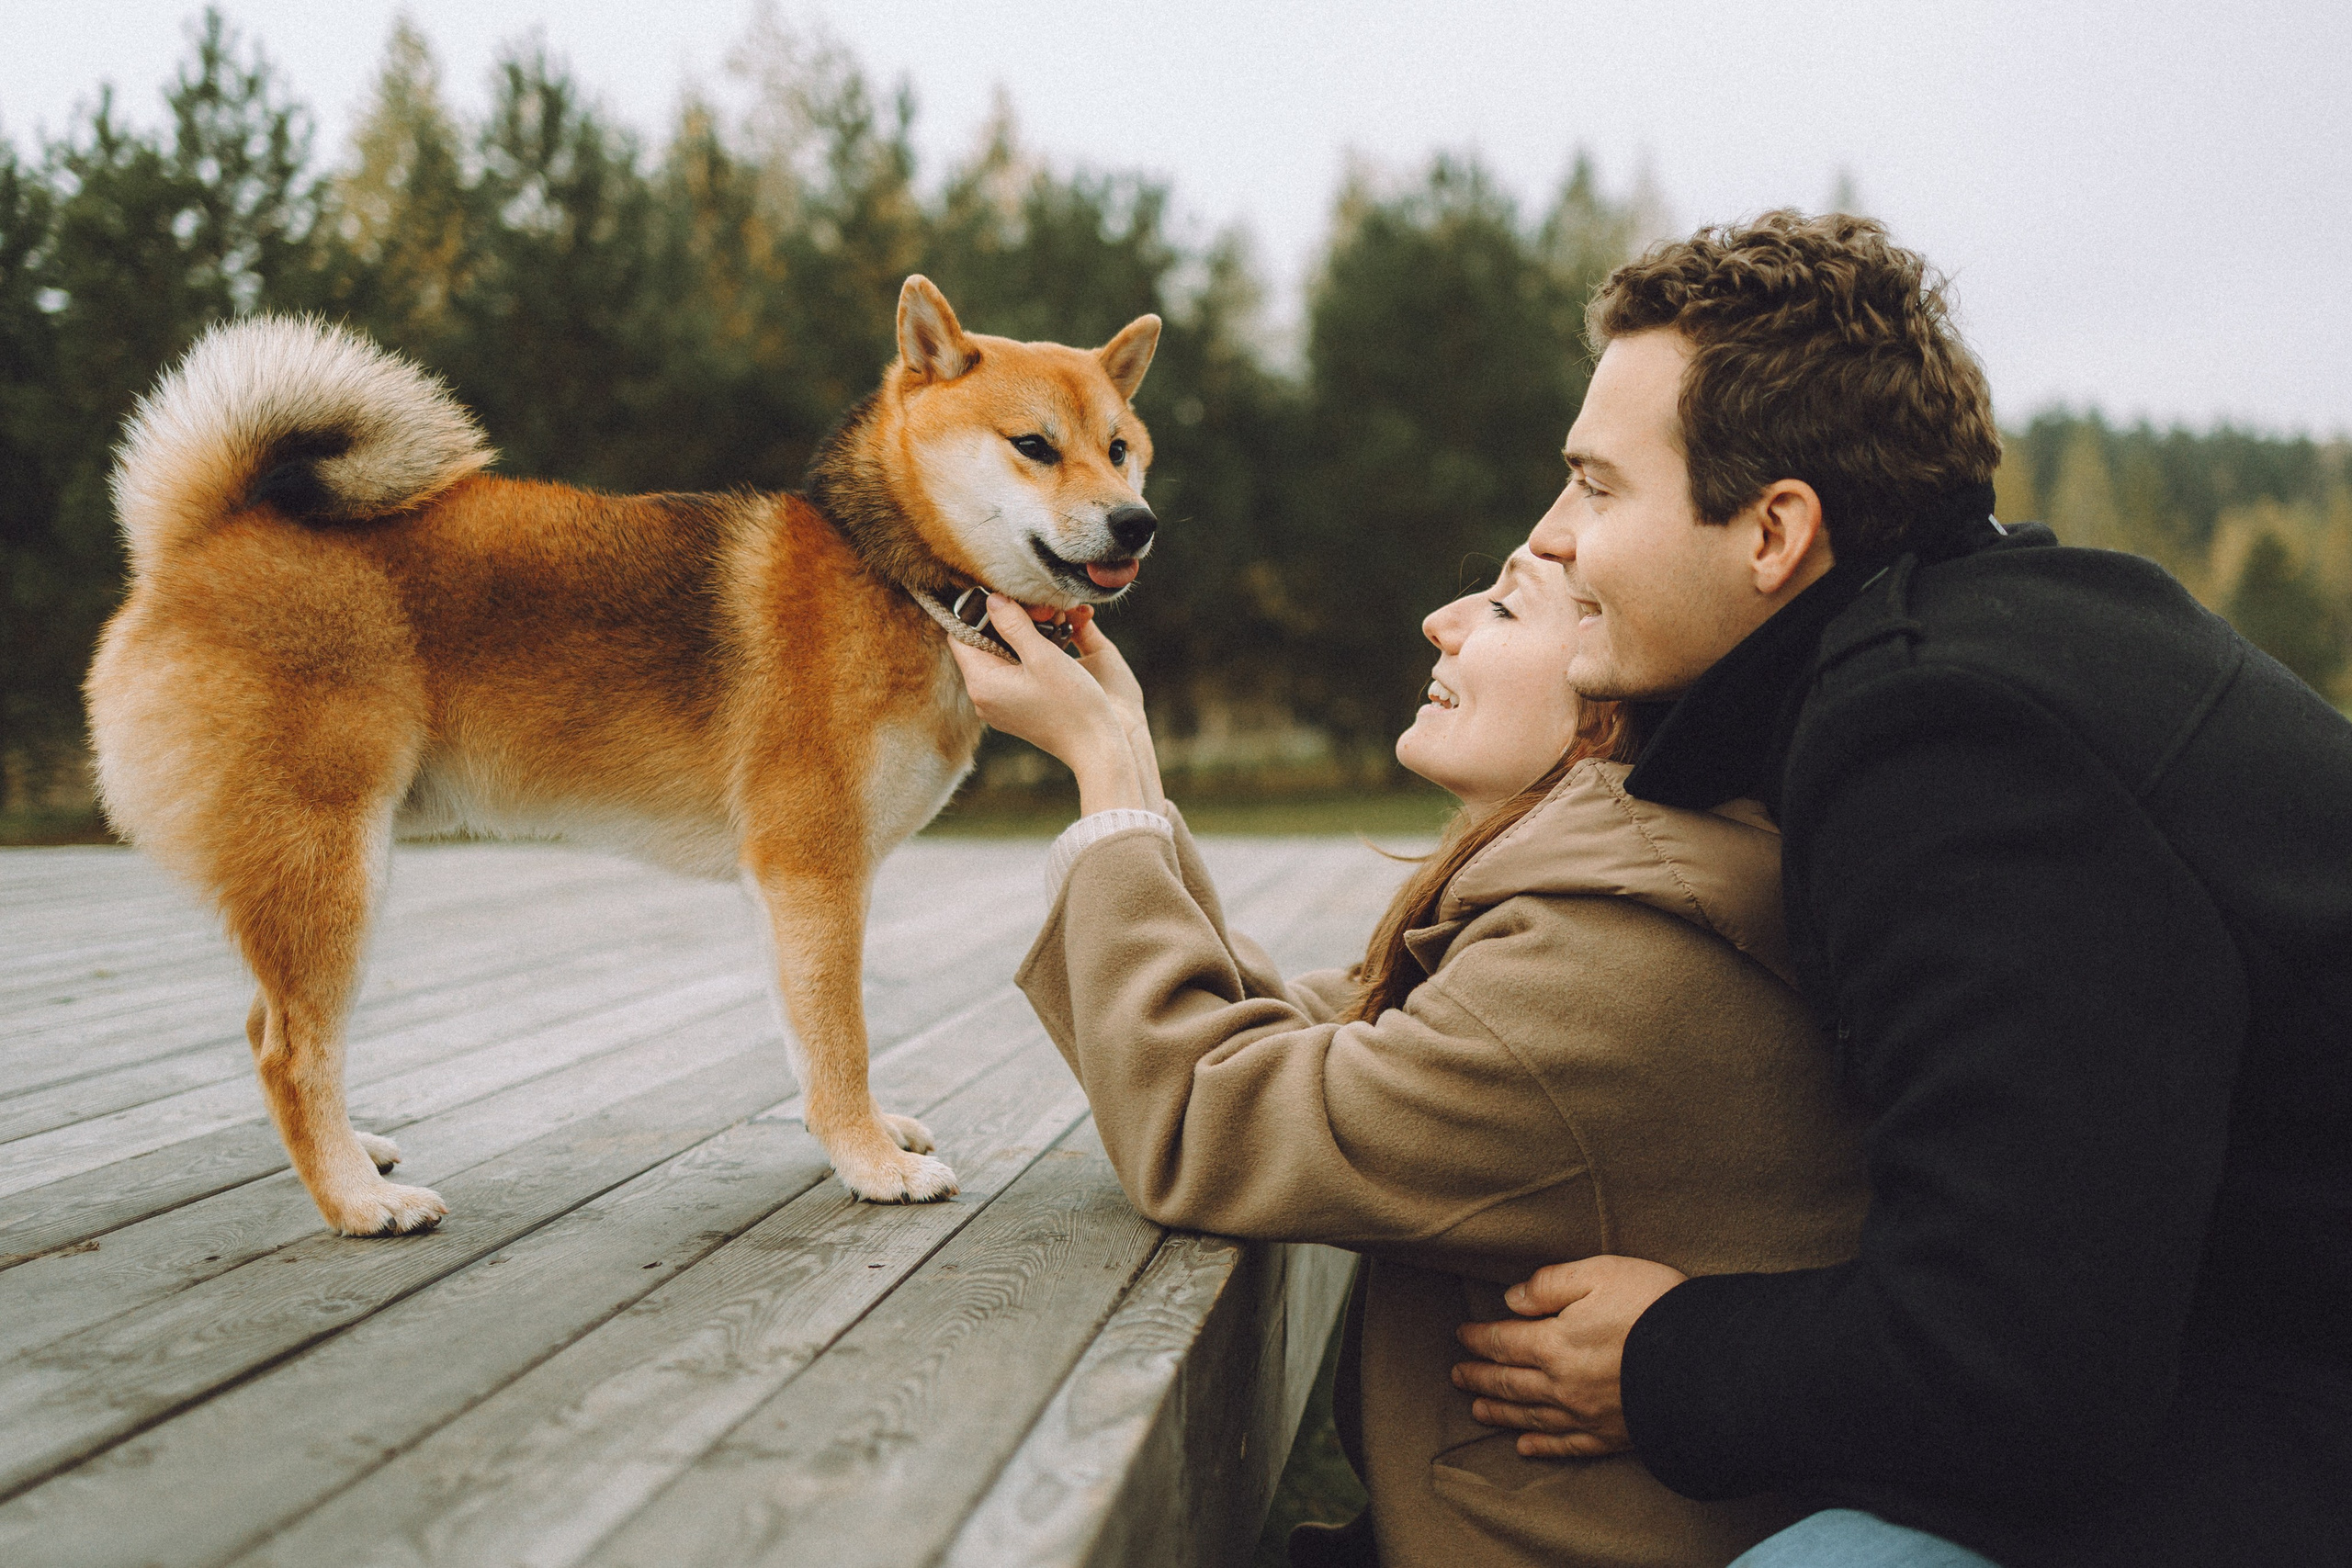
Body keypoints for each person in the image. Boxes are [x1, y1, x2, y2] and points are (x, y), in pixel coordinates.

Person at [1442, 211, 2352, 1567]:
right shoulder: (2002, 632)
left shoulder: (1941, 740)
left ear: (1773, 533)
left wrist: (1661, 1358)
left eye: (1597, 488)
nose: (1553, 538)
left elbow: (2021, 1360)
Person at [950, 547, 1870, 1568]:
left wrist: (1106, 771)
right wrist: (1122, 747)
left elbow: (1205, 1120)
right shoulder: (1615, 902)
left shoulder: (1610, 970)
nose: (1442, 619)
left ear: (1605, 704)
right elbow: (1303, 1042)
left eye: (1506, 608)